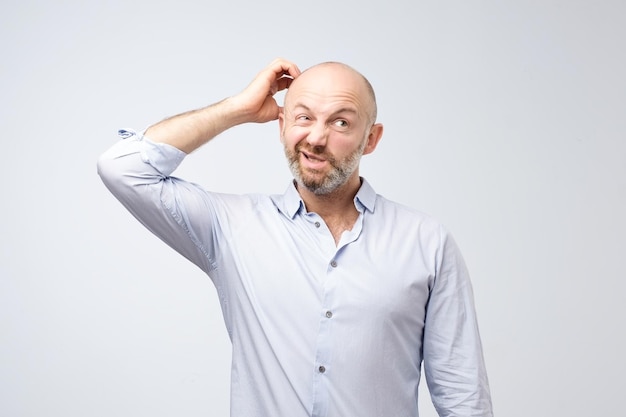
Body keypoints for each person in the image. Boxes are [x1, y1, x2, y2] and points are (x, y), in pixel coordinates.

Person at [97, 58, 493, 417]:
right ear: (283, 124)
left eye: (341, 122)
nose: (316, 139)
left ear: (370, 139)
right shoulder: (231, 227)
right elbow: (122, 168)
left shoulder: (426, 243)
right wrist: (237, 109)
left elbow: (464, 399)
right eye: (303, 118)